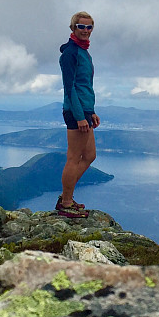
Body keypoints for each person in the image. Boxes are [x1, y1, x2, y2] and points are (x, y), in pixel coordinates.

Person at [57, 11, 99, 218]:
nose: (85, 31)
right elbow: (70, 88)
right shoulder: (70, 53)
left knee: (90, 155)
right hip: (75, 112)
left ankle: (67, 196)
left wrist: (91, 112)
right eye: (81, 27)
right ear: (73, 28)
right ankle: (65, 202)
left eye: (89, 27)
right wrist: (81, 116)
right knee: (74, 158)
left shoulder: (83, 52)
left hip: (84, 111)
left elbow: (84, 86)